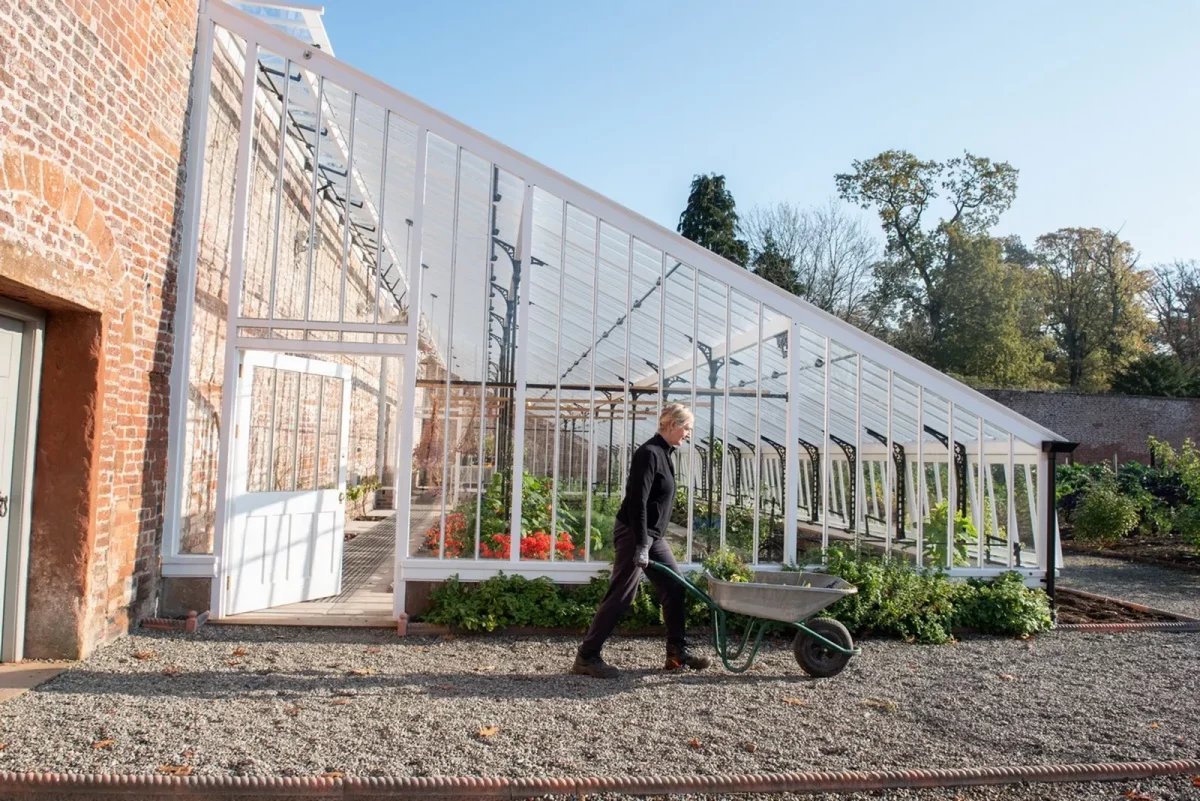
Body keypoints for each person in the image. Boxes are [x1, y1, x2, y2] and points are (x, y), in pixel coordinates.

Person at [571, 403, 712, 678]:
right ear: (672, 425)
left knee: (675, 586)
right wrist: (641, 544)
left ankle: (676, 653)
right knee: (623, 594)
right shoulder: (649, 454)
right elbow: (638, 502)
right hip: (635, 532)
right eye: (687, 428)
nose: (688, 434)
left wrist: (650, 540)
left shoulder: (664, 453)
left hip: (652, 536)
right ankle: (586, 657)